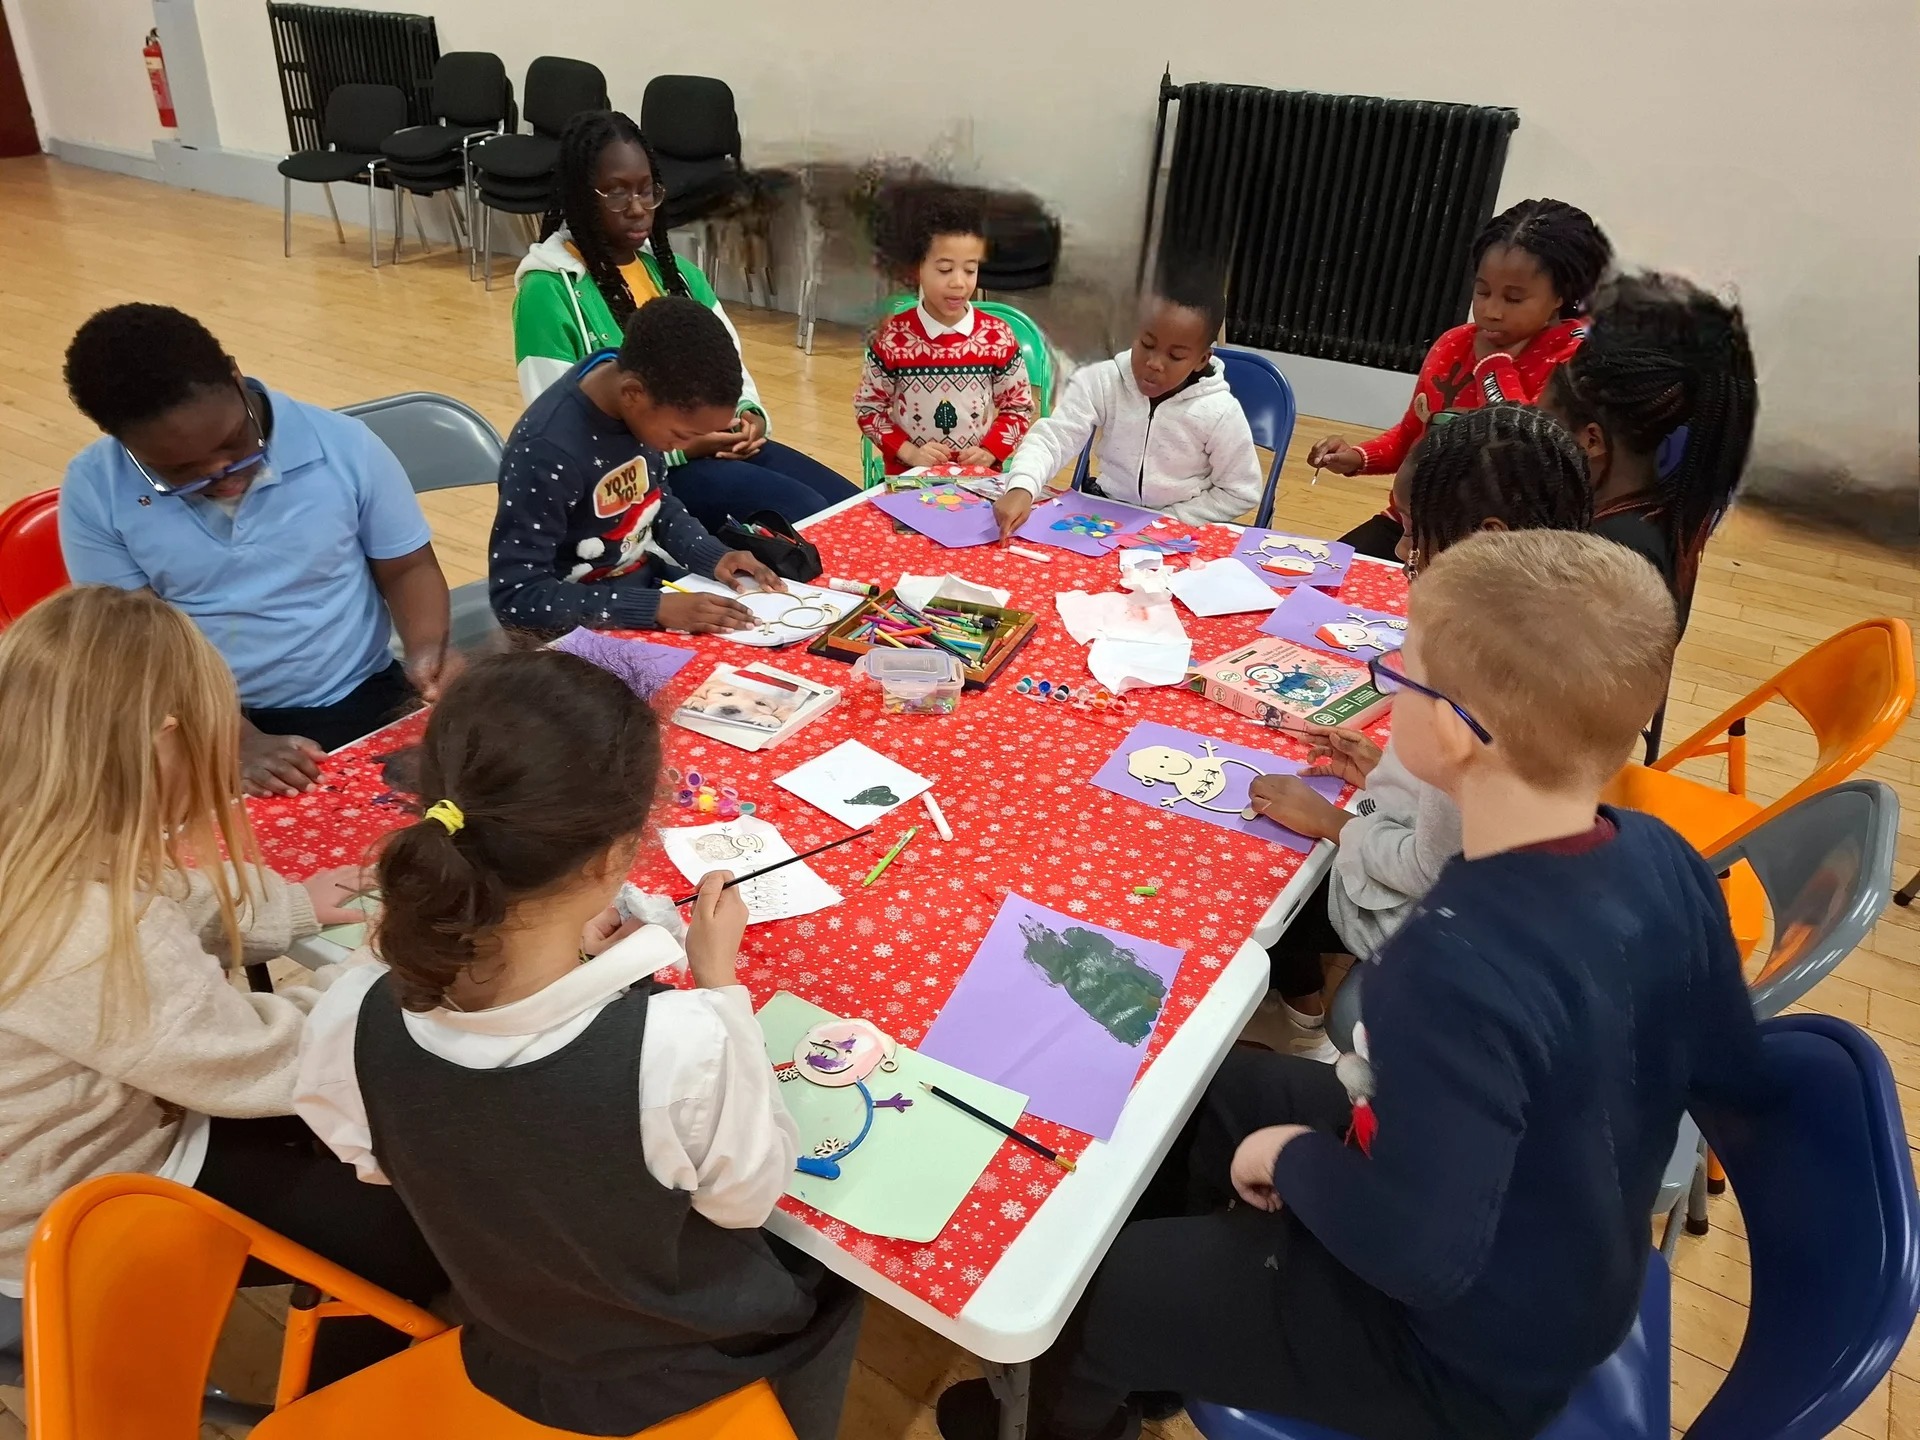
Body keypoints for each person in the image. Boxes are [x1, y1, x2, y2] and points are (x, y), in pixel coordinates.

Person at [936, 529, 1772, 1440]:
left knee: (1092, 1293)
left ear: (1451, 730)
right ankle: (1160, 1365)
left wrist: (1293, 1157)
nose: (1385, 684)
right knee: (1204, 1096)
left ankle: (1088, 1392)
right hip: (1566, 1256)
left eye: (1398, 675)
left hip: (1460, 1355)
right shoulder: (1661, 856)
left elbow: (1424, 1254)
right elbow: (1727, 1068)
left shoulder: (1447, 961)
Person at [294, 648, 861, 1440]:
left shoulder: (352, 1006)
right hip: (671, 1368)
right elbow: (743, 1203)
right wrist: (720, 982)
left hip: (510, 1334)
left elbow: (378, 1156)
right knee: (836, 1278)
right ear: (608, 861)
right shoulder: (679, 1043)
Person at [0, 586, 444, 1380]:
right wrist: (381, 962)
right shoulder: (89, 930)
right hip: (69, 1210)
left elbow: (160, 899)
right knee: (406, 1229)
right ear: (170, 742)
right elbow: (260, 1063)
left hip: (72, 1150)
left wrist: (288, 906)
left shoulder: (37, 833)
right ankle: (324, 1411)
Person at [1247, 404, 1593, 1055]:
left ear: (1485, 539)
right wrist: (1382, 764)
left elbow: (1427, 867)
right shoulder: (1550, 633)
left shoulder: (1475, 685)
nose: (1403, 551)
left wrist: (1331, 823)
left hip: (1447, 928)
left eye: (1415, 536)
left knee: (1268, 876)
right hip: (1507, 897)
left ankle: (1300, 1030)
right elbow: (1458, 805)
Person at [58, 303, 457, 798]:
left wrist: (427, 651)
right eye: (184, 472)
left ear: (234, 374)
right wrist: (235, 739)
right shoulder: (94, 490)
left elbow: (407, 568)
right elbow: (140, 642)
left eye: (235, 441)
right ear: (122, 444)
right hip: (196, 716)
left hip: (359, 691)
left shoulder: (343, 447)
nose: (224, 475)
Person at [512, 110, 857, 532]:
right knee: (802, 511)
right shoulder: (547, 292)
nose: (638, 209)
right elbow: (564, 433)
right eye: (617, 193)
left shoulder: (677, 275)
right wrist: (684, 449)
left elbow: (733, 368)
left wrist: (749, 418)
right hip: (641, 478)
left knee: (846, 506)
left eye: (645, 191)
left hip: (714, 446)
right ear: (580, 195)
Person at [1308, 199, 1612, 559]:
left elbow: (1527, 458)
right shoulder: (1454, 343)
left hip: (1497, 545)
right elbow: (1414, 434)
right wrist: (1360, 457)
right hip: (1411, 524)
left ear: (1562, 295)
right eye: (1482, 292)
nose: (1490, 311)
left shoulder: (1575, 357)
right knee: (1318, 581)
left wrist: (1493, 365)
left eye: (1514, 298)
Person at [490, 295, 791, 635]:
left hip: (642, 591)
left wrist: (712, 555)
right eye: (682, 434)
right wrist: (654, 609)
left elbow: (655, 504)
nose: (690, 447)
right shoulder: (546, 452)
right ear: (633, 394)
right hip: (575, 633)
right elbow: (516, 597)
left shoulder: (635, 402)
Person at [1539, 271, 1758, 617]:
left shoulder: (1599, 563)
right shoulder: (1662, 517)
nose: (1536, 443)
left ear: (1590, 439)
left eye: (1545, 427)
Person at [992, 266, 1260, 535]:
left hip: (1177, 532)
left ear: (1202, 359)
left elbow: (1240, 492)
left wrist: (1174, 519)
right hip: (1105, 519)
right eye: (1146, 343)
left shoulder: (1219, 412)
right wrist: (1022, 486)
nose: (1154, 363)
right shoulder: (1104, 380)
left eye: (1175, 356)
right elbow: (1054, 437)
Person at [854, 182, 1035, 475]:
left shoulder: (997, 337)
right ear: (918, 269)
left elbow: (1019, 407)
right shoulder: (892, 338)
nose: (959, 283)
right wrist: (910, 452)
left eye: (970, 269)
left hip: (979, 480)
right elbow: (869, 409)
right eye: (944, 269)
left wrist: (990, 451)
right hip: (910, 478)